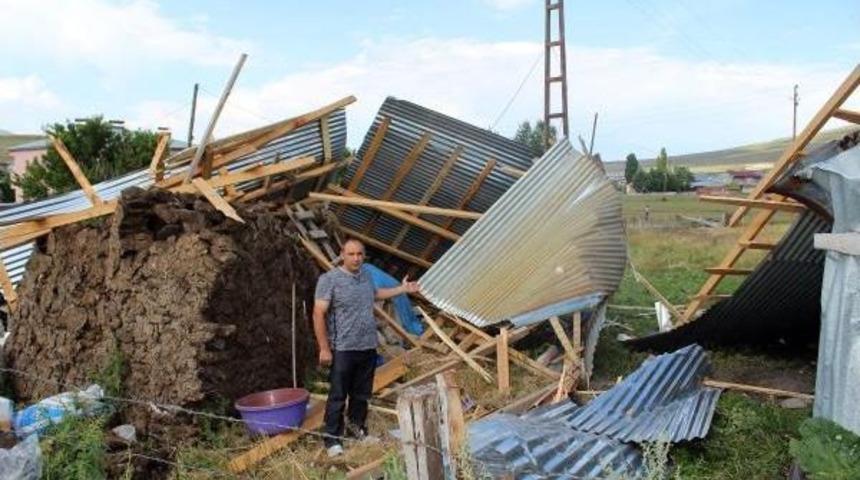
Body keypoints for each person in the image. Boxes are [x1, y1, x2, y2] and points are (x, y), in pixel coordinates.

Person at [313, 238, 418, 457]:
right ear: (342, 254)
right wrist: (324, 347)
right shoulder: (329, 279)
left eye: (360, 254)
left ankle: (357, 431)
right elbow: (318, 313)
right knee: (338, 395)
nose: (356, 258)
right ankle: (332, 439)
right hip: (343, 347)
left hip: (367, 346)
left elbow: (376, 294)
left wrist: (401, 289)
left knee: (362, 395)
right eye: (351, 254)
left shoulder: (366, 276)